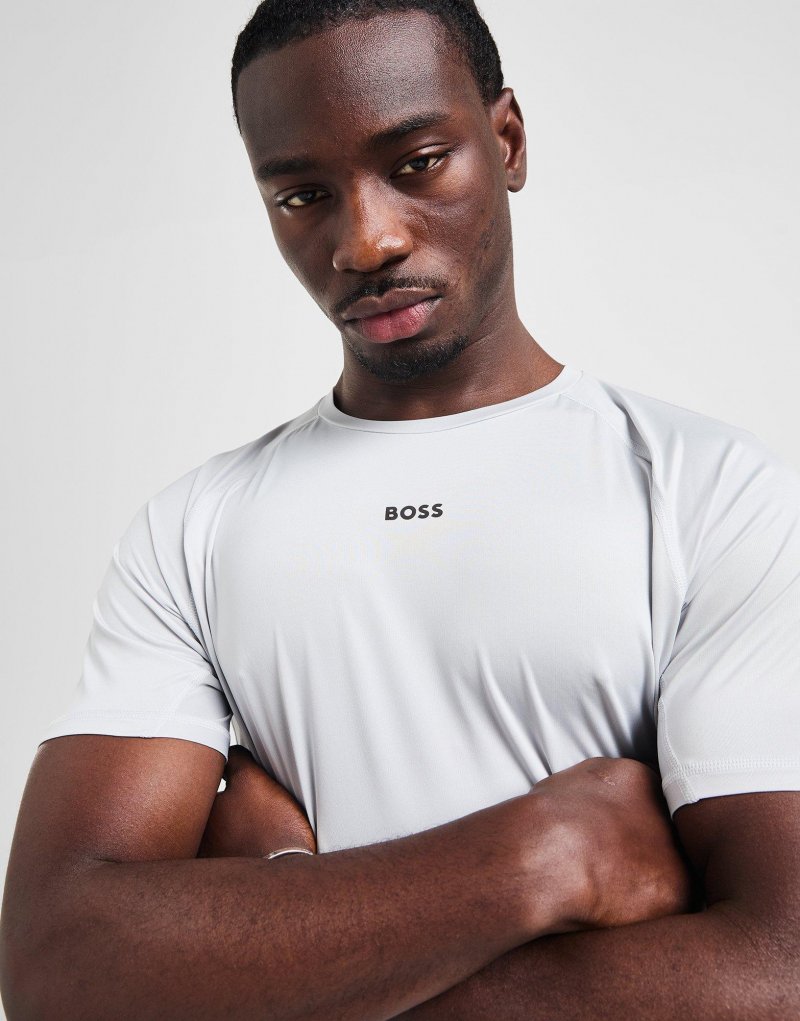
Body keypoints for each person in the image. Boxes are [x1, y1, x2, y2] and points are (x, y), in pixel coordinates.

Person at [2, 2, 799, 1018]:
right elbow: (58, 964)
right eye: (302, 195)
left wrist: (277, 921)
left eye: (417, 163)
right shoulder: (192, 529)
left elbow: (780, 968)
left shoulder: (710, 491)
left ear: (506, 141)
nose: (366, 240)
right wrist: (541, 853)